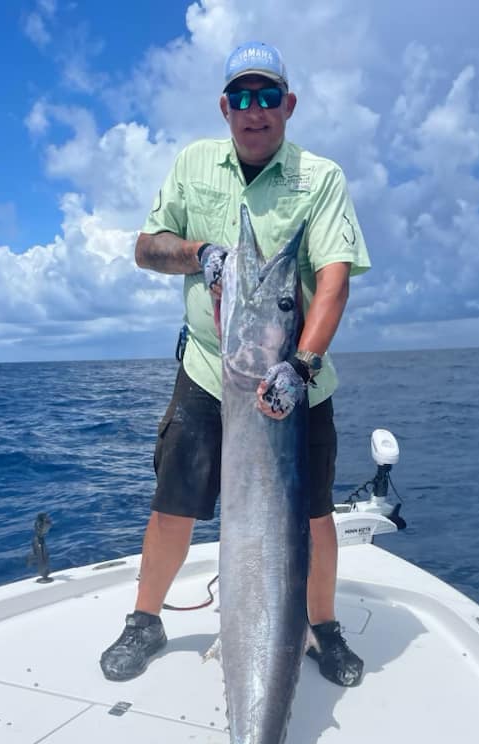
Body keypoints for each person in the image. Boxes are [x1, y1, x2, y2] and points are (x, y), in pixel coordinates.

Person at [100, 41, 371, 687]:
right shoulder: (193, 163)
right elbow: (146, 246)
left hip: (293, 382)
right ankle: (145, 618)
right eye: (242, 97)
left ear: (288, 105)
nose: (255, 110)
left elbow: (333, 281)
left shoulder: (321, 178)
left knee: (314, 513)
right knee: (173, 503)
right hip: (207, 370)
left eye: (267, 96)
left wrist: (300, 366)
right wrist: (200, 254)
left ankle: (322, 626)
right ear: (225, 108)